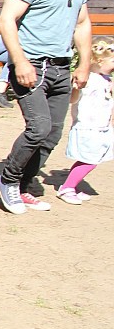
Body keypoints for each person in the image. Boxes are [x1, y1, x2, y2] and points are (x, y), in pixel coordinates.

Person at [0, 0, 102, 214]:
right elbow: (6, 20)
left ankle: (25, 187)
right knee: (38, 128)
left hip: (61, 66)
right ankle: (8, 180)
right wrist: (20, 62)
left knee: (52, 133)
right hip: (33, 65)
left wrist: (83, 63)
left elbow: (82, 23)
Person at [57, 38, 114, 204]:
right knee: (90, 160)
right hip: (88, 127)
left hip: (101, 126)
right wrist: (75, 88)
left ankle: (71, 186)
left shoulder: (106, 79)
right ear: (99, 60)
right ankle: (67, 188)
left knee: (89, 159)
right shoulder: (86, 79)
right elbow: (72, 100)